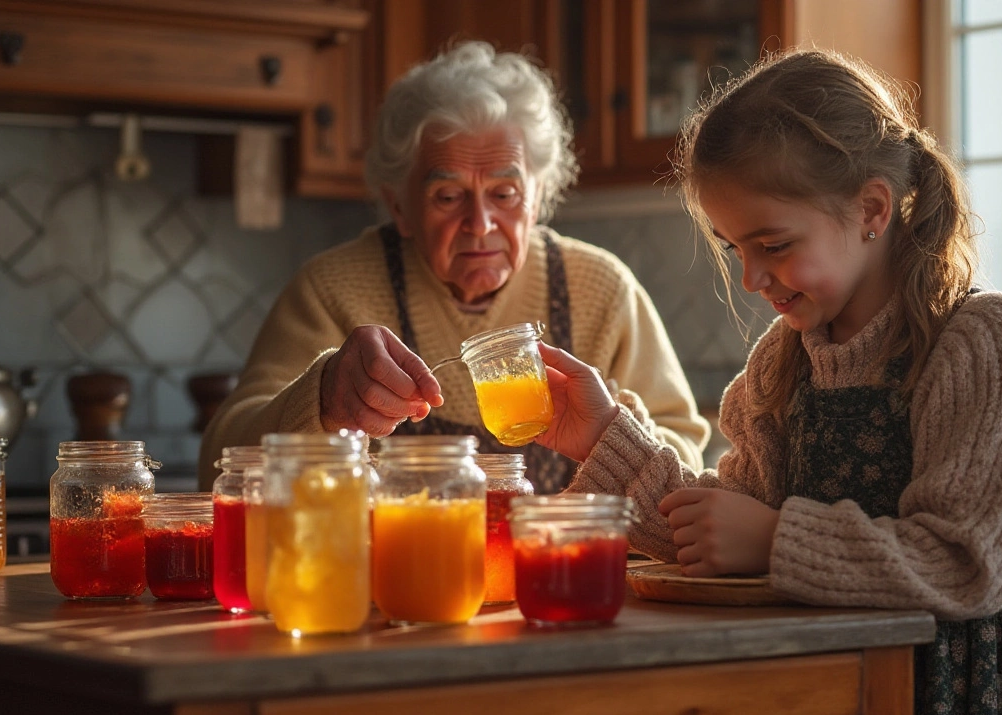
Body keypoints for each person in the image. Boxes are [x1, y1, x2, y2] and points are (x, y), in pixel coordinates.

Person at [534, 49, 1002, 715]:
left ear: (871, 208)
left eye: (772, 245)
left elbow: (962, 564)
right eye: (733, 248)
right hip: (832, 682)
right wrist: (606, 438)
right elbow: (724, 532)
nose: (751, 277)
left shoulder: (981, 340)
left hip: (971, 687)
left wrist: (776, 540)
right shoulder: (781, 363)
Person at [198, 41, 709, 493]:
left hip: (554, 588)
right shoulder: (331, 290)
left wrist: (614, 431)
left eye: (505, 194)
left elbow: (684, 466)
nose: (480, 223)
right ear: (399, 205)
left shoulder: (602, 290)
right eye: (447, 195)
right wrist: (322, 402)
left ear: (538, 198)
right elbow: (218, 465)